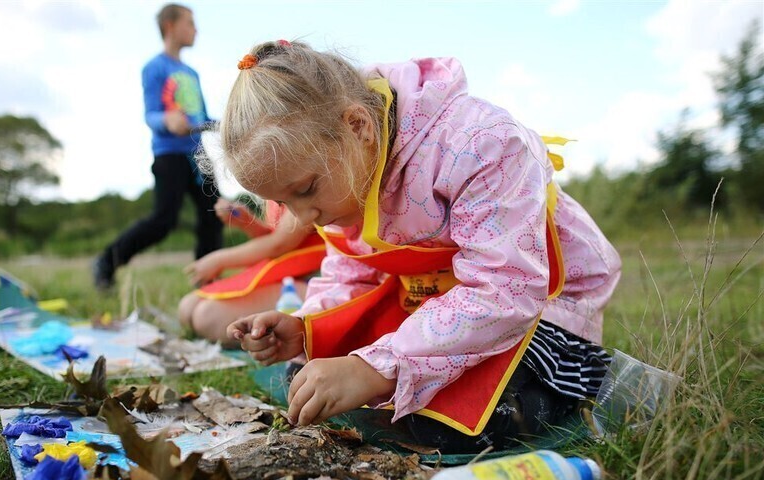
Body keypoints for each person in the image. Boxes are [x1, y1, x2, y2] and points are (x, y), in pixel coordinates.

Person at [225, 41, 622, 453]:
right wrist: (308, 327)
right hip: (436, 303)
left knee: (457, 428)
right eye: (284, 203)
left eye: (306, 190)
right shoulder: (344, 165)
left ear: (358, 126)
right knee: (305, 377)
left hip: (536, 305)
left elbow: (506, 289)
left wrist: (375, 368)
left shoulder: (481, 143)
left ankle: (564, 381)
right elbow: (352, 271)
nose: (301, 217)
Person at [93, 3, 222, 289]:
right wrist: (168, 119)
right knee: (164, 221)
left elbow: (202, 117)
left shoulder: (192, 73)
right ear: (170, 26)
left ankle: (208, 283)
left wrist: (226, 123)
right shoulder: (154, 67)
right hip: (169, 154)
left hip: (198, 154)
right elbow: (150, 115)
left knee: (214, 215)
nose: (196, 29)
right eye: (189, 22)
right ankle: (107, 262)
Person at [177, 197, 324, 344]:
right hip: (288, 276)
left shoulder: (301, 186)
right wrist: (246, 222)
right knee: (187, 307)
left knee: (207, 316)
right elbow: (274, 238)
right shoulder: (276, 190)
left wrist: (219, 260)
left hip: (316, 282)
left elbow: (279, 244)